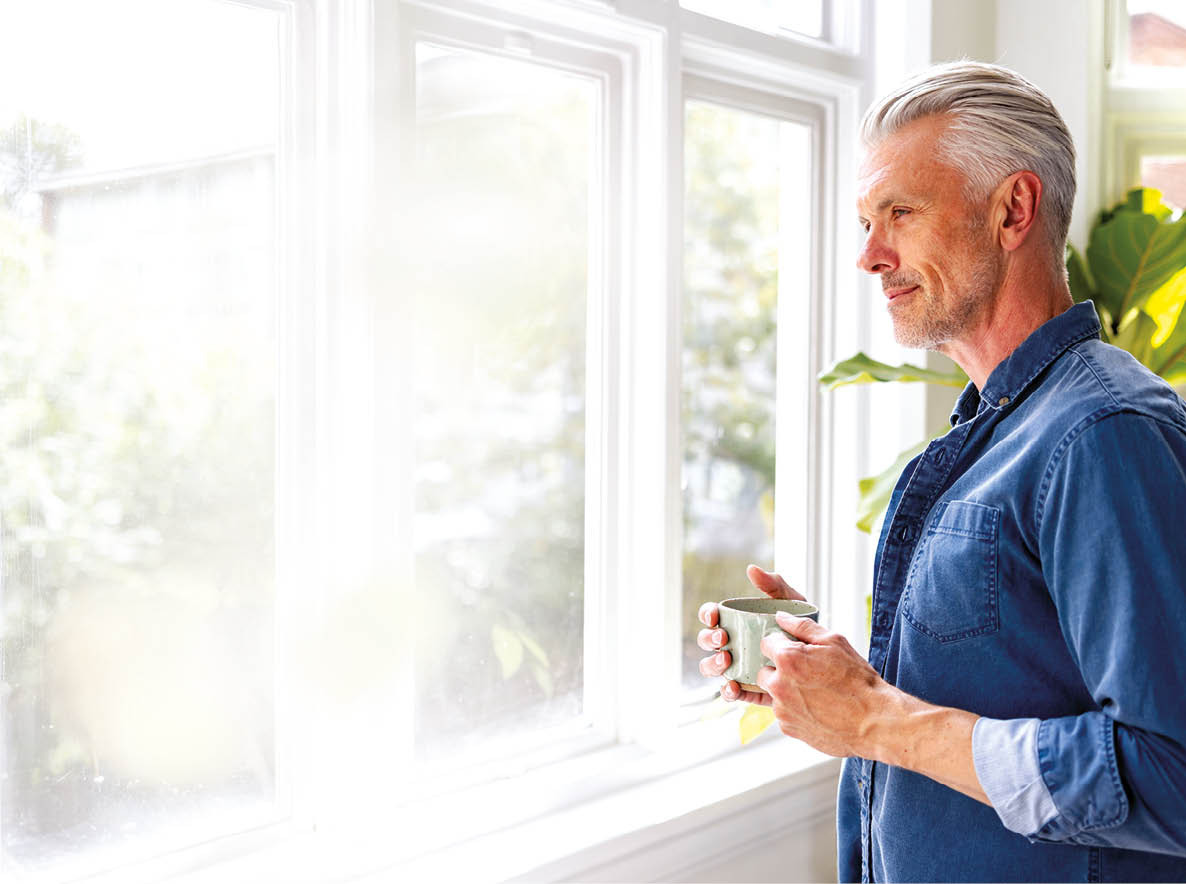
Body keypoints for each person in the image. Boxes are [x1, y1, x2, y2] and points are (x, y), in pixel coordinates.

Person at [698, 61, 1186, 882]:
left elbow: (1169, 773)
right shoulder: (998, 427)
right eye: (864, 221)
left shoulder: (1103, 436)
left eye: (901, 212)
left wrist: (878, 721)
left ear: (1013, 210)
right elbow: (1010, 691)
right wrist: (836, 683)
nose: (869, 256)